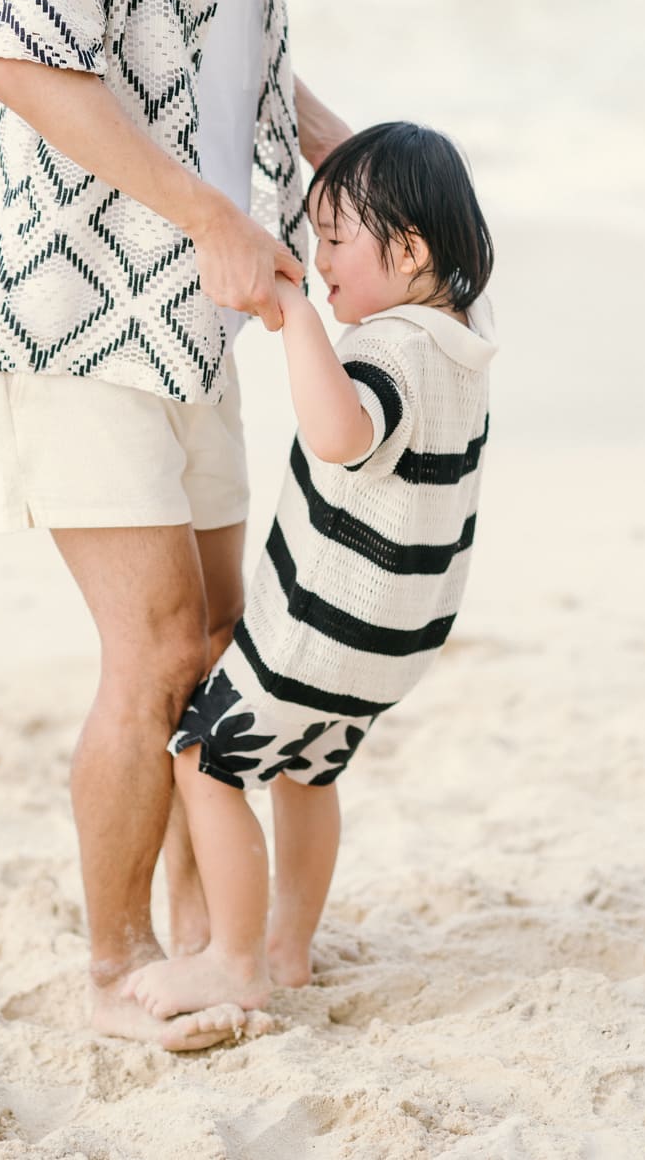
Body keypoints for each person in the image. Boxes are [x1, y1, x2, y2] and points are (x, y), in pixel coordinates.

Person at [0, 0, 400, 1048]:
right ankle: (109, 970)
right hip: (70, 303)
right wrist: (214, 217)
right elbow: (23, 60)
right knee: (150, 652)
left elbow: (240, 63)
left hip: (194, 311)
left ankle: (212, 946)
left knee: (219, 645)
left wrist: (359, 163)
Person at [125, 122, 497, 1022]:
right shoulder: (465, 342)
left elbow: (341, 435)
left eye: (334, 239)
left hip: (322, 629)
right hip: (397, 641)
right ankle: (289, 946)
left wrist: (295, 317)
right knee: (308, 770)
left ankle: (237, 961)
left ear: (411, 252)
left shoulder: (389, 347)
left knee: (206, 759)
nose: (319, 259)